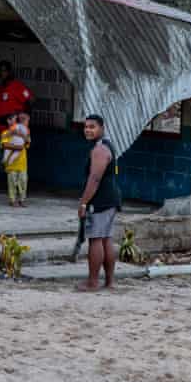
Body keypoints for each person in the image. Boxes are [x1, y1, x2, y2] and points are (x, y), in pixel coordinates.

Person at [77, 114, 121, 291]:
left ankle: (93, 282)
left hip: (101, 201)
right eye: (86, 127)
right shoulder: (106, 145)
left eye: (92, 127)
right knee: (106, 239)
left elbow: (94, 179)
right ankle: (109, 282)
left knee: (95, 239)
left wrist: (83, 203)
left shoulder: (100, 150)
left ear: (102, 128)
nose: (88, 130)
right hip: (110, 199)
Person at [0, 61, 33, 134]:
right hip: (2, 131)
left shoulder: (17, 86)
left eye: (4, 71)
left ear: (9, 72)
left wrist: (20, 118)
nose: (2, 73)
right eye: (1, 70)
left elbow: (31, 99)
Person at [0, 113, 30, 207]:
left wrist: (23, 136)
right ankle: (12, 200)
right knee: (12, 182)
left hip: (22, 163)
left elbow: (27, 143)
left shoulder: (23, 130)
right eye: (13, 119)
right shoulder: (5, 133)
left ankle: (22, 200)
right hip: (11, 164)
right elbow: (5, 145)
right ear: (8, 121)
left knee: (23, 182)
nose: (15, 121)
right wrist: (18, 147)